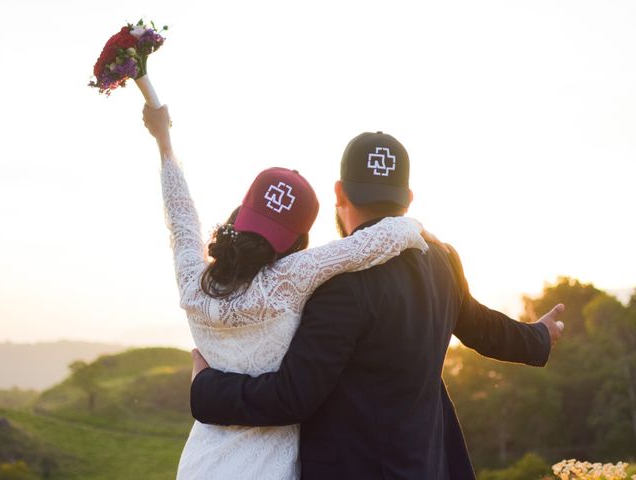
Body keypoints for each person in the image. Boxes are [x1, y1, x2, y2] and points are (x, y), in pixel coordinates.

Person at [189, 131, 566, 480]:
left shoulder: (338, 280)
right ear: (408, 198)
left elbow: (292, 397)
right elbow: (482, 328)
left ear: (339, 193)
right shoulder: (442, 258)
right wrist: (539, 336)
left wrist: (205, 388)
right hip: (428, 464)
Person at [142, 105, 438, 480]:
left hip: (203, 463)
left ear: (240, 213)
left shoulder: (192, 283)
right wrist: (415, 228)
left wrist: (164, 141)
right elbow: (372, 243)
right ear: (298, 240)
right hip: (271, 469)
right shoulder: (288, 280)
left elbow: (181, 214)